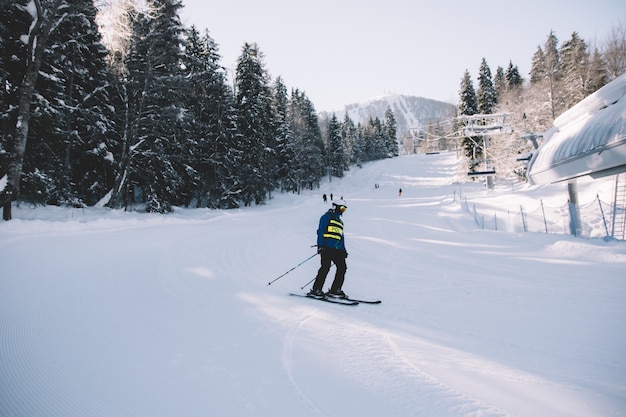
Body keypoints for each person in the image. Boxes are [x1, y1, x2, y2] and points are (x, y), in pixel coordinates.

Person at [308, 203, 349, 298]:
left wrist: (344, 250)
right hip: (326, 247)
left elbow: (341, 237)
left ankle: (335, 289)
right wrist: (320, 245)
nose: (343, 211)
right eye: (342, 208)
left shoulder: (340, 222)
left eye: (344, 209)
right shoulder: (326, 217)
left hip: (337, 249)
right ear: (336, 207)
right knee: (325, 267)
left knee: (342, 268)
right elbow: (321, 231)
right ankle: (316, 289)